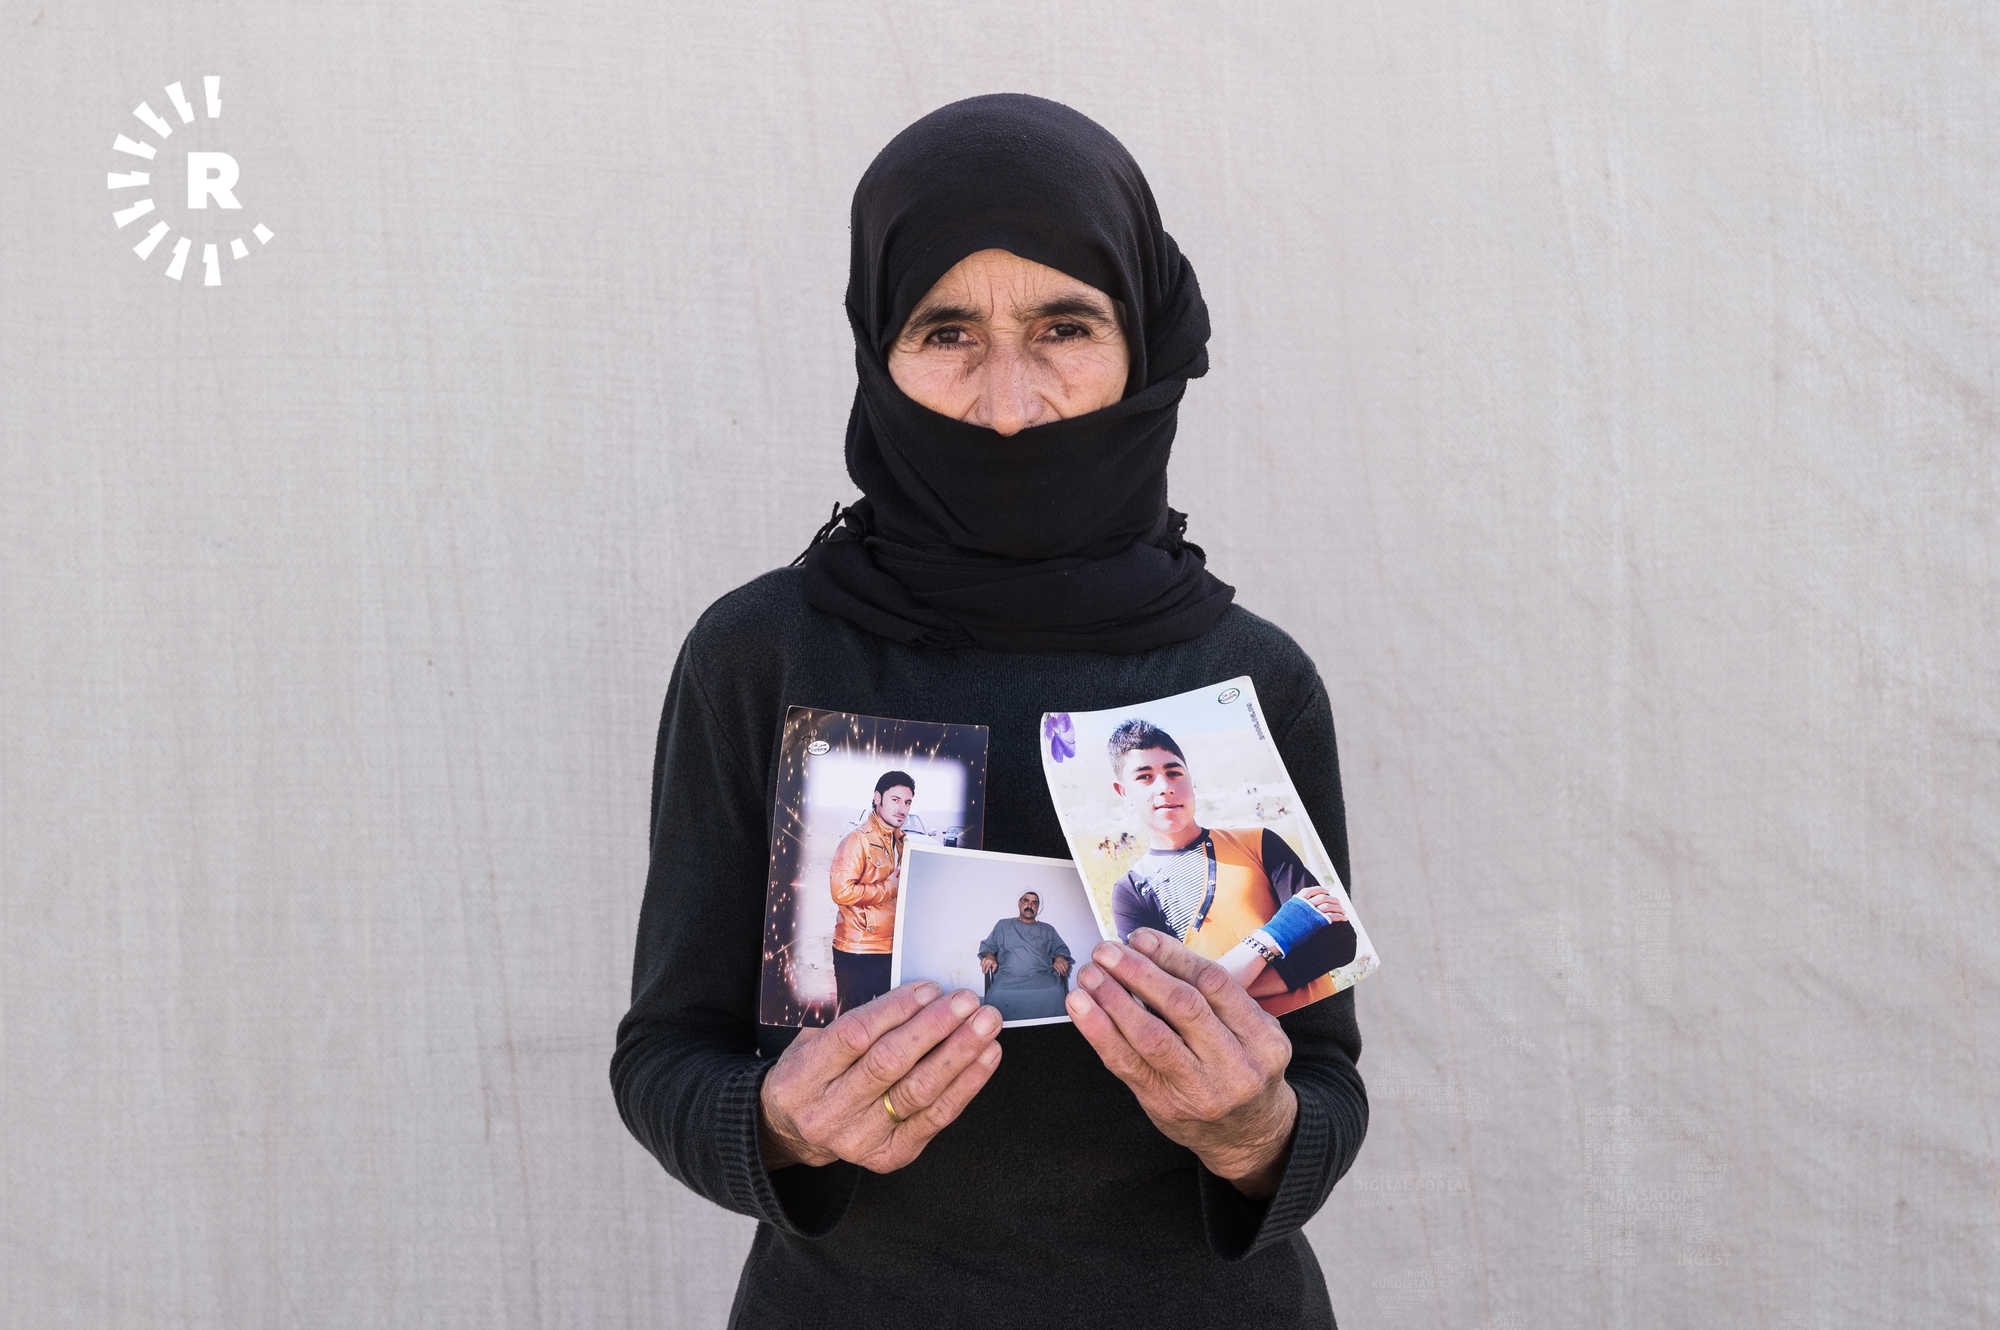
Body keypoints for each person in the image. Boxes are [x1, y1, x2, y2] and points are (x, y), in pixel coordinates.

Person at [610, 92, 1368, 1330]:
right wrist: (778, 1125)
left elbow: (1322, 1079)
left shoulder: (1248, 679)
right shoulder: (761, 653)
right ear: (877, 347)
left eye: (1064, 325)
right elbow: (663, 1056)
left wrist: (1252, 1129)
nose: (1008, 401)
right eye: (946, 330)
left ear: (1144, 340)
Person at [1105, 719, 1357, 1017]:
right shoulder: (1132, 891)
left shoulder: (1258, 842)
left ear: (1190, 779)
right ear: (1123, 792)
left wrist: (1216, 988)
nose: (1165, 787)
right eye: (1145, 777)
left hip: (1316, 1025)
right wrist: (1274, 935)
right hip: (1228, 1042)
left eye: (1174, 773)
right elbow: (1163, 998)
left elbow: (1339, 941)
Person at [828, 770, 915, 1012]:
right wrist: (889, 888)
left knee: (888, 1019)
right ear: (877, 798)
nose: (902, 808)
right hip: (858, 949)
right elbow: (841, 892)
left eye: (907, 802)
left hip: (891, 947)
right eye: (895, 800)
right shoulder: (857, 840)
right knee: (853, 1021)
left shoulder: (902, 842)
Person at [976, 891, 1075, 1021]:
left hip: (1042, 977)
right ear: (1019, 903)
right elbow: (988, 946)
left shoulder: (1047, 929)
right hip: (1007, 978)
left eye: (1034, 903)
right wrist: (989, 956)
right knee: (996, 994)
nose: (1030, 905)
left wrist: (1060, 958)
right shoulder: (1003, 925)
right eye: (1026, 900)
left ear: (1038, 907)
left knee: (1056, 991)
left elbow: (1060, 949)